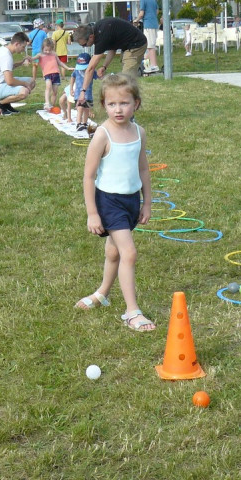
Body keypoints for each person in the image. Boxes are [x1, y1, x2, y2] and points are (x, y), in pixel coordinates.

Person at [75, 74, 153, 332]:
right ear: (103, 105)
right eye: (112, 104)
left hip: (131, 201)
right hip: (109, 202)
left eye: (124, 103)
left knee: (113, 251)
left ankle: (102, 293)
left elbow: (143, 169)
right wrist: (92, 213)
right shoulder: (102, 135)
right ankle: (132, 312)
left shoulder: (139, 132)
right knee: (128, 252)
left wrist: (147, 203)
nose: (118, 109)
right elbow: (88, 176)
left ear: (136, 104)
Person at [71, 17, 148, 110]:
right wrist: (104, 66)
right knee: (125, 77)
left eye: (84, 44)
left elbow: (90, 68)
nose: (84, 47)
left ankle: (130, 108)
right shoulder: (98, 30)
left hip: (137, 44)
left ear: (91, 37)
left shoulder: (101, 36)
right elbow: (112, 49)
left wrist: (83, 91)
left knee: (127, 79)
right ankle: (126, 104)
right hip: (127, 45)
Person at [0, 31, 34, 115]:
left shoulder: (4, 49)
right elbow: (10, 81)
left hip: (0, 83)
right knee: (24, 92)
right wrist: (25, 84)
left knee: (32, 81)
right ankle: (0, 104)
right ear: (17, 44)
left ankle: (6, 104)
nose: (23, 50)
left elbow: (8, 67)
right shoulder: (6, 56)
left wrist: (21, 62)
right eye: (23, 47)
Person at [136, 0, 160, 73]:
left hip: (148, 24)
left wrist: (136, 20)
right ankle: (147, 66)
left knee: (150, 46)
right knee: (149, 45)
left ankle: (154, 65)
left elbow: (141, 13)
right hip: (154, 23)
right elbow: (157, 11)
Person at [36, 36, 63, 112]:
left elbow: (59, 62)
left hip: (56, 74)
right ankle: (47, 103)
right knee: (48, 87)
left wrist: (67, 68)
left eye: (49, 50)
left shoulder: (54, 54)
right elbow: (33, 58)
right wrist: (28, 59)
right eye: (46, 50)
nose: (48, 52)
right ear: (42, 48)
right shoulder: (40, 55)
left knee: (55, 92)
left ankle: (52, 106)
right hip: (47, 74)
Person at [71, 52, 95, 130]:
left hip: (88, 94)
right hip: (78, 94)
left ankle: (84, 123)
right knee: (80, 108)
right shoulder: (76, 70)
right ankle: (78, 123)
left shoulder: (92, 71)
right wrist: (71, 88)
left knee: (87, 109)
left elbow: (98, 75)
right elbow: (72, 77)